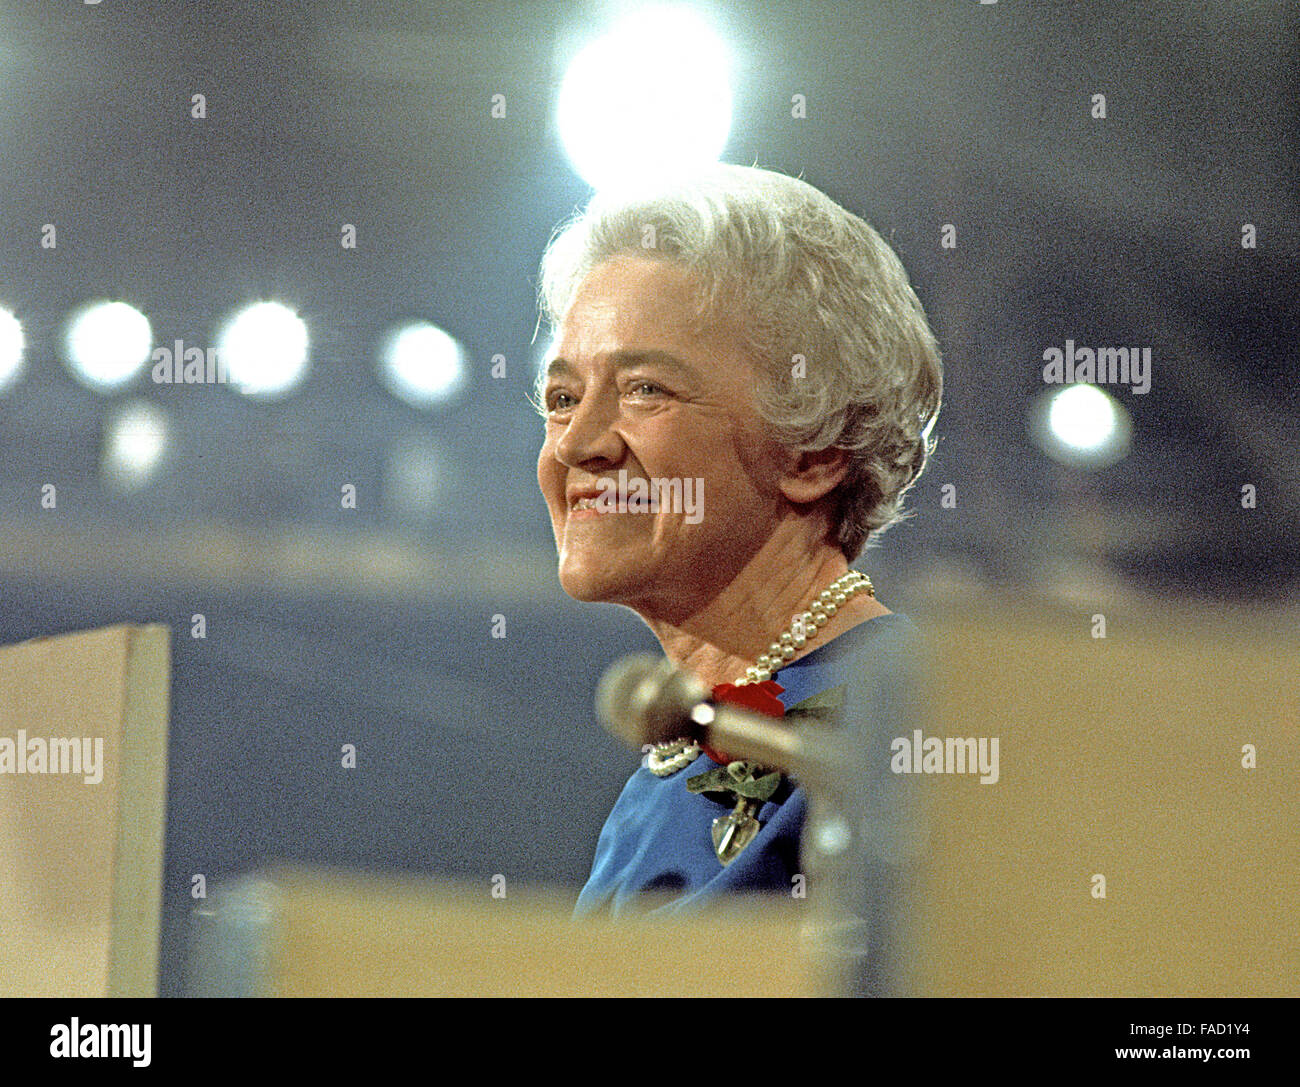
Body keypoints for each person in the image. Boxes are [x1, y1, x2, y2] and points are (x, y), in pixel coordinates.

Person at [533, 163, 942, 945]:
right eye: (562, 398)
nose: (577, 444)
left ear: (812, 449)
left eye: (645, 389)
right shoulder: (671, 759)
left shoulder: (912, 728)